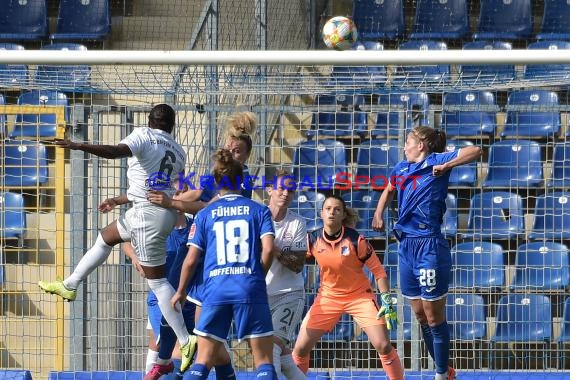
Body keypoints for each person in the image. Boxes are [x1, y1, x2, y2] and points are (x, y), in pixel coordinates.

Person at [38, 103, 197, 373]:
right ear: (172, 126)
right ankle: (71, 283)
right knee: (106, 237)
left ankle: (186, 340)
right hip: (155, 212)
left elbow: (114, 152)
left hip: (147, 216)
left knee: (158, 283)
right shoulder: (178, 151)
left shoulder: (143, 135)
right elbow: (152, 185)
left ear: (150, 121)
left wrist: (77, 146)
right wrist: (120, 199)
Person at [372, 126, 481, 380]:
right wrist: (378, 213)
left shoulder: (436, 161)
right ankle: (446, 370)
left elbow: (476, 150)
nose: (404, 147)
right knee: (420, 314)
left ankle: (441, 374)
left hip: (429, 245)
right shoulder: (400, 168)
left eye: (407, 142)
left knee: (433, 316)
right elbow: (389, 189)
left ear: (420, 145)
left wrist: (447, 166)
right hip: (405, 247)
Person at [171, 148, 278, 380]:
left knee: (203, 361)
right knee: (264, 363)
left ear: (217, 182)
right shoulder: (259, 210)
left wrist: (180, 291)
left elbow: (191, 259)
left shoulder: (205, 214)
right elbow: (269, 248)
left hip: (215, 288)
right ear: (243, 181)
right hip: (249, 286)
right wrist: (258, 274)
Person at [292, 194, 404, 380]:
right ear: (321, 213)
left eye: (337, 209)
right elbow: (294, 261)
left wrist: (386, 300)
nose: (332, 212)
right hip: (328, 298)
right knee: (300, 349)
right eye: (328, 209)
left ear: (343, 215)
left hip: (360, 297)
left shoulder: (355, 240)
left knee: (383, 345)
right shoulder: (312, 240)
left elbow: (379, 272)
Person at [265, 170, 309, 380]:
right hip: (259, 296)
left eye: (290, 190)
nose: (285, 194)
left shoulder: (297, 223)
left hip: (289, 294)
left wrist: (271, 247)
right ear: (269, 190)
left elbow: (298, 264)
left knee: (271, 348)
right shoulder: (256, 217)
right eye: (281, 188)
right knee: (284, 360)